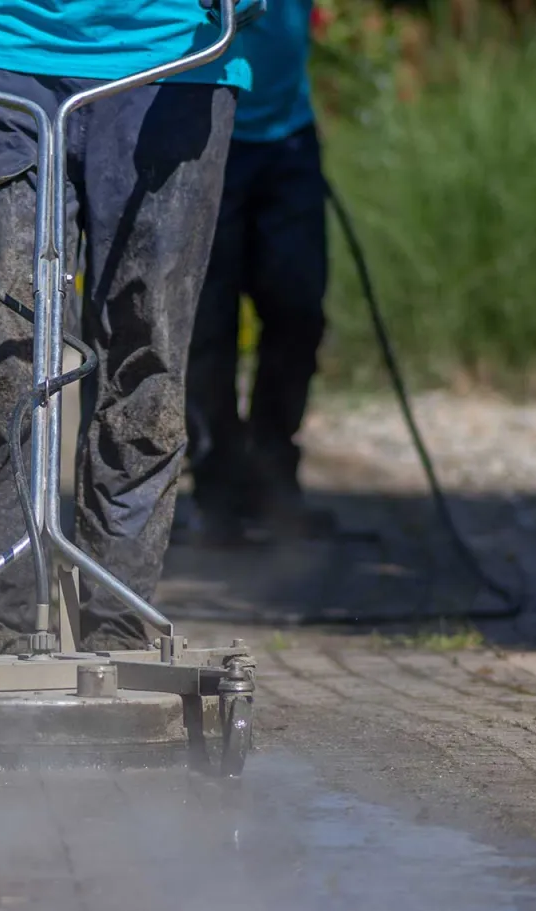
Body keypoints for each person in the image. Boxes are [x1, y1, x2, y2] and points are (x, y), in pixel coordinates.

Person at [0, 1, 252, 653]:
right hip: (8, 67)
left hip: (175, 73)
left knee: (146, 366)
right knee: (1, 360)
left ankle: (120, 632)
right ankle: (9, 631)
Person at [180, 0, 335, 545]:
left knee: (299, 309)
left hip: (287, 135)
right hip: (197, 121)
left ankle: (272, 476)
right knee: (206, 324)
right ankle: (216, 487)